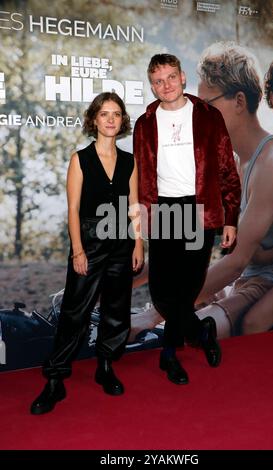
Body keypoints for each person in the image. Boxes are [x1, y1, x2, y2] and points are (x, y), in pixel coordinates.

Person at [30, 92, 143, 415]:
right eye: (104, 113)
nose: (110, 119)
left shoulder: (129, 161)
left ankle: (105, 365)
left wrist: (138, 243)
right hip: (90, 242)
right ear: (94, 120)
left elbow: (134, 207)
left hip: (122, 241)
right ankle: (54, 380)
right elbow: (73, 209)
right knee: (74, 312)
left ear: (122, 121)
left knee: (116, 309)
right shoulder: (80, 159)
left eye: (116, 114)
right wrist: (78, 250)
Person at [133, 53, 241, 385]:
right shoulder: (145, 123)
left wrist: (230, 217)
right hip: (163, 210)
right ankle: (201, 331)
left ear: (182, 78)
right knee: (162, 289)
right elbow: (138, 179)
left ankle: (169, 354)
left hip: (199, 210)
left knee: (186, 287)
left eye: (170, 77)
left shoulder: (209, 117)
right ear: (152, 86)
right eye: (157, 81)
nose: (165, 85)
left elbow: (226, 169)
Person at [194, 43, 273, 337]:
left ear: (239, 101)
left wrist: (157, 312)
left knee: (229, 326)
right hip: (254, 278)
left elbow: (238, 260)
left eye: (207, 106)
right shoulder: (237, 163)